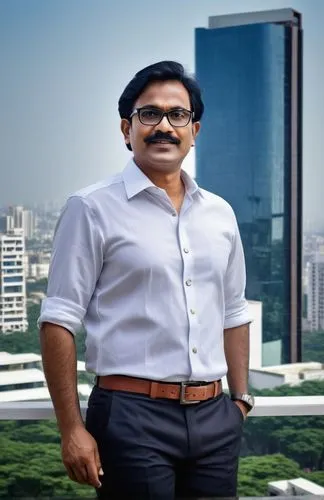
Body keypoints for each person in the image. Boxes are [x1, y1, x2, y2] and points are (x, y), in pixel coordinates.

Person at [39, 60, 254, 500]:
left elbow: (233, 311)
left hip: (215, 417)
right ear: (126, 129)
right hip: (130, 417)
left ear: (195, 131)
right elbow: (58, 320)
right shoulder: (91, 207)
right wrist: (71, 429)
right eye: (149, 114)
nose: (164, 127)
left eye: (178, 115)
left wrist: (241, 400)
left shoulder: (221, 213)